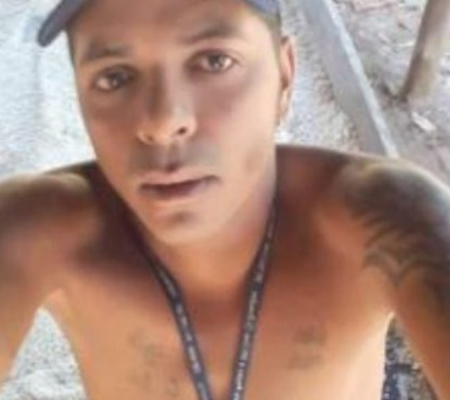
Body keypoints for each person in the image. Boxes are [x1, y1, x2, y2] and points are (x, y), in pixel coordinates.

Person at [0, 0, 449, 399]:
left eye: (214, 61)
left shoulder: (381, 222)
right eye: (114, 77)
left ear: (284, 78)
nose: (162, 122)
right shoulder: (42, 233)